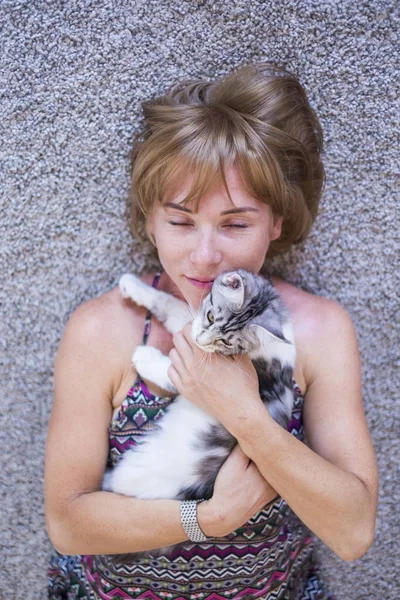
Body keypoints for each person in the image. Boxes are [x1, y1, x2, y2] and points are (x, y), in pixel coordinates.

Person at [45, 63, 378, 600]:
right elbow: (68, 523)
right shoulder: (102, 331)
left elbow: (354, 531)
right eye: (180, 222)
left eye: (236, 223)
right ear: (149, 219)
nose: (205, 256)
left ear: (277, 221)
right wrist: (211, 518)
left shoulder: (318, 332)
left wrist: (244, 414)